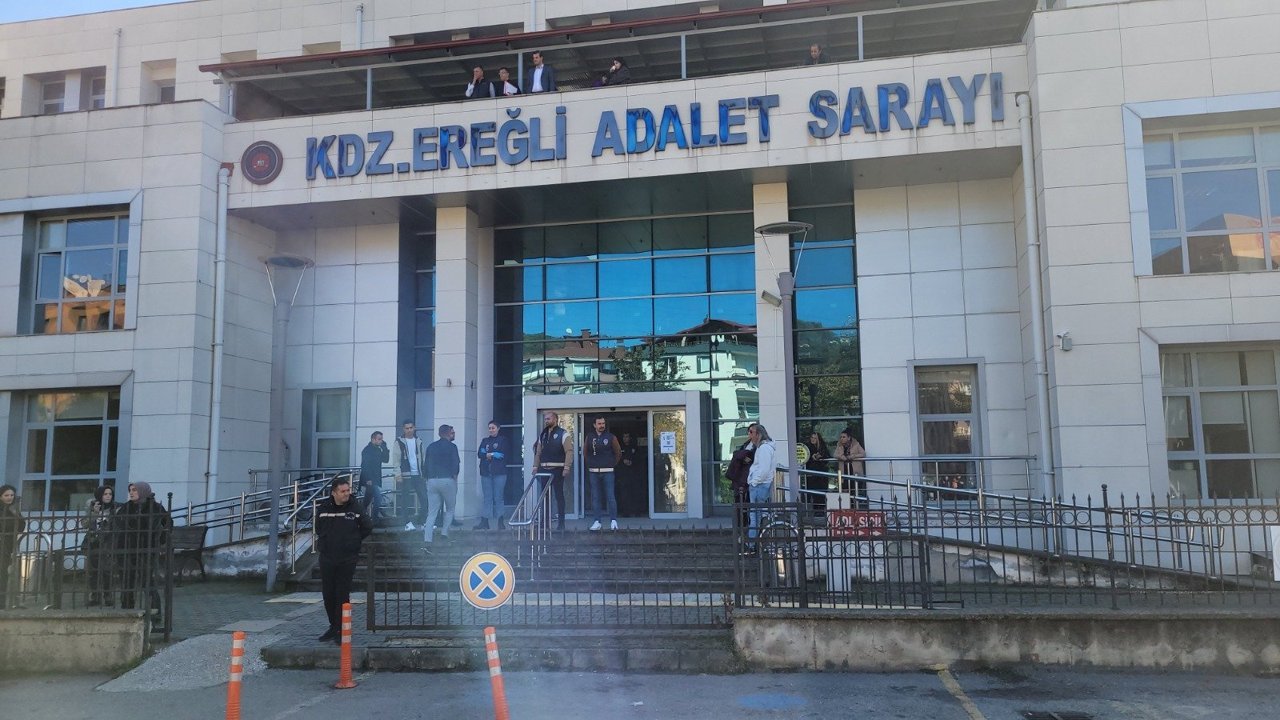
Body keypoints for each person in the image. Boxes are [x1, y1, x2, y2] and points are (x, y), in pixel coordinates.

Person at [315, 476, 372, 644]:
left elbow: (367, 527)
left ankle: (342, 628)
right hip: (327, 556)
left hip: (347, 558)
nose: (347, 494)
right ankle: (333, 626)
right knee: (328, 593)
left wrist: (353, 542)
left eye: (348, 490)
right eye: (343, 491)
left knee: (342, 593)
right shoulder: (324, 507)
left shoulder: (355, 507)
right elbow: (318, 527)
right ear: (334, 493)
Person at [116, 481, 171, 621]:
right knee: (127, 581)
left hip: (146, 549)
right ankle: (127, 611)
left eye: (134, 490)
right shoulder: (126, 507)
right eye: (130, 490)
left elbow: (168, 524)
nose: (131, 493)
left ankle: (155, 612)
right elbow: (117, 524)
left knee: (147, 582)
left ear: (143, 491)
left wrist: (160, 540)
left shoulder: (155, 507)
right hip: (128, 549)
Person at [532, 411, 572, 530]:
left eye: (549, 419)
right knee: (545, 498)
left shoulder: (563, 433)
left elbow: (569, 451)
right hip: (544, 470)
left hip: (558, 470)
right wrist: (535, 466)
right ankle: (545, 523)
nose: (546, 421)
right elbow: (538, 452)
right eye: (545, 419)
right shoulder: (543, 435)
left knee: (559, 496)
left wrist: (567, 467)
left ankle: (561, 523)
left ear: (555, 419)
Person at [422, 424, 460, 546]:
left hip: (432, 480)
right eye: (452, 432)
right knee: (450, 509)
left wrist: (427, 479)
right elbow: (455, 465)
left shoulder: (431, 446)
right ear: (448, 433)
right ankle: (444, 534)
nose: (453, 434)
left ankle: (427, 540)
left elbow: (425, 464)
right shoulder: (452, 447)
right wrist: (454, 480)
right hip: (447, 479)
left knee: (432, 512)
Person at [584, 416, 622, 531]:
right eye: (599, 423)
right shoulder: (589, 437)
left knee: (610, 497)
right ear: (594, 425)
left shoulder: (611, 437)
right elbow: (585, 452)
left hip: (608, 472)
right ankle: (597, 521)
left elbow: (618, 453)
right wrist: (591, 463)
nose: (602, 425)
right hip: (594, 472)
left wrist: (611, 464)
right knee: (596, 497)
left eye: (603, 423)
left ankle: (613, 521)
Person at [82, 485, 117, 607]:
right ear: (100, 495)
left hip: (108, 543)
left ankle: (108, 596)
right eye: (105, 494)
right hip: (93, 543)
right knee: (93, 572)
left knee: (107, 571)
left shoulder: (114, 509)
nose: (108, 496)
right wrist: (95, 513)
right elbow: (84, 524)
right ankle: (95, 596)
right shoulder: (93, 508)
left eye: (110, 494)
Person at [391, 420, 429, 532]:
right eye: (407, 428)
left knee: (424, 498)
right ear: (403, 429)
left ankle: (423, 521)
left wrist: (424, 473)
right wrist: (398, 474)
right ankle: (407, 523)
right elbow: (396, 459)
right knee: (405, 500)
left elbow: (423, 458)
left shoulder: (419, 441)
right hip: (405, 475)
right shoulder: (399, 442)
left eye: (411, 428)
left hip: (418, 474)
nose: (409, 430)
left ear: (414, 428)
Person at [745, 423, 777, 548]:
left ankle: (752, 544)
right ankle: (754, 542)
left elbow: (764, 470)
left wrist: (754, 482)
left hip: (759, 485)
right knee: (756, 515)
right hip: (759, 485)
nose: (749, 435)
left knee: (755, 516)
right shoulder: (763, 447)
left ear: (758, 434)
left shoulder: (764, 448)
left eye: (751, 432)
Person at [475, 421, 509, 530]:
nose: (491, 430)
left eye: (493, 428)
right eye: (489, 428)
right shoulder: (485, 440)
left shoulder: (503, 440)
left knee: (498, 497)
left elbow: (503, 454)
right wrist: (492, 454)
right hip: (486, 472)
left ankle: (500, 521)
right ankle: (485, 521)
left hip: (499, 473)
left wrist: (489, 454)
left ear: (498, 428)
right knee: (487, 497)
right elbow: (480, 454)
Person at [0, 485, 24, 609]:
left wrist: (15, 513)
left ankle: (1, 603)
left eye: (12, 495)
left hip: (7, 546)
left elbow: (21, 526)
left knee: (3, 574)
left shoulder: (13, 509)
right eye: (6, 495)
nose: (9, 497)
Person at [725, 437, 755, 528]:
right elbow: (747, 461)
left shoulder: (752, 446)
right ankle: (742, 525)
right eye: (749, 432)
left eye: (751, 432)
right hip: (743, 480)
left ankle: (742, 525)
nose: (750, 434)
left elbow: (747, 461)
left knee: (743, 503)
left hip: (743, 480)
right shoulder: (747, 446)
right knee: (743, 504)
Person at [359, 431, 389, 522]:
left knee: (367, 499)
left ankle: (359, 515)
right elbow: (365, 465)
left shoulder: (378, 450)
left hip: (375, 478)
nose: (381, 441)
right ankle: (375, 519)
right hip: (370, 479)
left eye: (381, 439)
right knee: (378, 497)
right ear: (373, 439)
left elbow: (386, 460)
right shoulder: (367, 450)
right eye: (379, 439)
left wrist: (385, 448)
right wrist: (368, 478)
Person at [835, 427, 868, 508]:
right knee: (845, 490)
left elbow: (863, 453)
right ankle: (847, 508)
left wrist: (853, 456)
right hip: (844, 471)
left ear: (849, 438)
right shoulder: (839, 445)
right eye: (841, 437)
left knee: (854, 490)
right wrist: (842, 457)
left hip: (854, 471)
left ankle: (855, 508)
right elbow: (835, 454)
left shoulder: (856, 444)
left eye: (844, 437)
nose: (842, 439)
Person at [803, 430, 831, 516]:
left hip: (821, 475)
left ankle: (821, 510)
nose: (813, 439)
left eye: (815, 438)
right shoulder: (807, 447)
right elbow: (804, 458)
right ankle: (815, 511)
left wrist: (820, 456)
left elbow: (827, 457)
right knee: (813, 493)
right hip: (812, 474)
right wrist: (812, 457)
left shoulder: (822, 448)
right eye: (812, 437)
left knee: (821, 493)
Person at [616, 431, 643, 517]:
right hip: (623, 475)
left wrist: (632, 462)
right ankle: (625, 512)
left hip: (634, 474)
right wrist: (623, 461)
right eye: (624, 437)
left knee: (635, 492)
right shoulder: (619, 447)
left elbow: (640, 458)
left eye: (627, 437)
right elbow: (616, 458)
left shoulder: (635, 447)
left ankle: (637, 511)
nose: (625, 439)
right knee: (624, 493)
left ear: (630, 438)